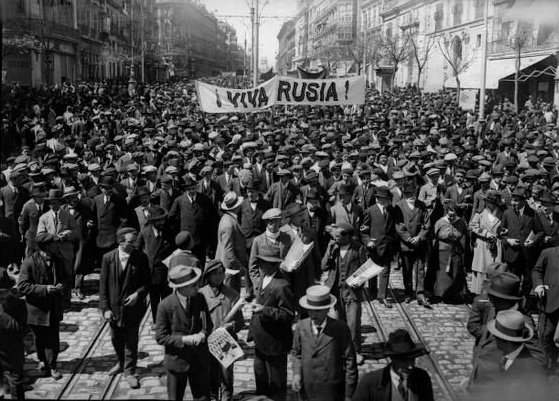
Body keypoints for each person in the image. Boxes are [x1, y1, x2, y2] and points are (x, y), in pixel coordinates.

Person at [99, 227, 151, 389]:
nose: (134, 244)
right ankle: (121, 362)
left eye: (135, 241)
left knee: (131, 340)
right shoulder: (108, 258)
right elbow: (103, 287)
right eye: (130, 242)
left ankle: (130, 371)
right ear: (120, 242)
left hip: (134, 308)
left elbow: (147, 282)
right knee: (116, 338)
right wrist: (105, 308)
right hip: (113, 309)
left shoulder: (140, 257)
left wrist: (138, 295)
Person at [155, 264, 211, 401]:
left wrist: (203, 334)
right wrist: (185, 340)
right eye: (193, 285)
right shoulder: (165, 306)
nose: (197, 287)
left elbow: (207, 323)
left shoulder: (200, 299)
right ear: (182, 287)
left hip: (198, 361)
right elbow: (161, 337)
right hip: (176, 363)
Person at [292, 285, 357, 401]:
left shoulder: (340, 329)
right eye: (309, 310)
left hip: (331, 390)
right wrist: (297, 374)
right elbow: (296, 354)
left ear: (327, 309)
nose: (312, 315)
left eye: (317, 311)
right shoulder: (301, 326)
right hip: (307, 389)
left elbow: (350, 362)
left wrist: (348, 394)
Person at [469, 310, 551, 401]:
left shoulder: (533, 371)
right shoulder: (494, 355)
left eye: (495, 337)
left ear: (503, 341)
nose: (493, 340)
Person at [17, 232, 66, 380]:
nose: (57, 245)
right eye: (54, 244)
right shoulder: (29, 262)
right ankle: (42, 361)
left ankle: (52, 365)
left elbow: (65, 277)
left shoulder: (58, 259)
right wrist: (44, 289)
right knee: (39, 339)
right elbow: (22, 286)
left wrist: (62, 285)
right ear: (45, 246)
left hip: (53, 307)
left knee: (53, 339)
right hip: (37, 309)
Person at [247, 254, 295, 401]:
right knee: (261, 380)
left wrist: (264, 310)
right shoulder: (264, 277)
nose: (259, 266)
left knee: (276, 384)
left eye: (263, 263)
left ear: (273, 265)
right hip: (260, 341)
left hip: (275, 344)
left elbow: (288, 315)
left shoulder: (282, 285)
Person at [198, 260, 244, 401]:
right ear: (208, 275)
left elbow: (240, 322)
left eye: (221, 273)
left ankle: (226, 396)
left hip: (226, 341)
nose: (218, 277)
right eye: (215, 274)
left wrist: (231, 326)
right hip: (208, 341)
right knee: (210, 373)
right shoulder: (200, 294)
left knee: (226, 374)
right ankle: (212, 395)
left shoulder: (232, 294)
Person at [322, 223, 367, 365]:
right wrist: (329, 252)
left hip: (352, 292)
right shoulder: (333, 248)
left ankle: (356, 351)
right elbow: (324, 267)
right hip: (336, 290)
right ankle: (342, 349)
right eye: (334, 236)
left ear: (347, 236)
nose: (335, 238)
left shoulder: (358, 248)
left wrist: (358, 283)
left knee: (353, 322)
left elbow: (365, 269)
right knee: (339, 322)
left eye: (338, 236)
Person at [352, 329, 434, 401]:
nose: (410, 366)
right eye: (404, 361)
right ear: (392, 359)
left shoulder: (422, 377)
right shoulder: (370, 382)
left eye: (412, 360)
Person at [36, 188, 78, 306]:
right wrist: (55, 237)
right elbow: (39, 236)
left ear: (60, 203)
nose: (52, 205)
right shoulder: (44, 218)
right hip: (51, 252)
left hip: (66, 252)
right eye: (50, 203)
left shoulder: (68, 216)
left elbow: (76, 232)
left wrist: (68, 234)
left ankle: (66, 299)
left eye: (55, 203)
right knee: (53, 276)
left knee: (67, 275)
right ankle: (55, 301)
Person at [393, 182, 431, 306]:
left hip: (419, 244)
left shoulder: (421, 205)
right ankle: (408, 292)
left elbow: (426, 224)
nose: (411, 195)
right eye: (408, 193)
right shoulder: (399, 206)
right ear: (404, 194)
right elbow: (398, 225)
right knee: (407, 269)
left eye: (413, 193)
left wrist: (419, 237)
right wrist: (408, 238)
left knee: (420, 269)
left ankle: (420, 293)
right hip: (406, 244)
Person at [361, 186, 398, 307]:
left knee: (385, 271)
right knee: (373, 270)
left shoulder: (392, 210)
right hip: (374, 246)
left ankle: (382, 295)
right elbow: (363, 230)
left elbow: (394, 228)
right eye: (383, 199)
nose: (386, 201)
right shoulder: (370, 211)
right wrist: (367, 242)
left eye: (387, 199)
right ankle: (372, 291)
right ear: (378, 199)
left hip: (388, 246)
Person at [136, 207, 173, 326]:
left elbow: (175, 248)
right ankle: (157, 321)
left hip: (166, 271)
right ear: (152, 222)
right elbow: (137, 248)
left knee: (167, 298)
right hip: (151, 272)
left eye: (163, 220)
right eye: (158, 221)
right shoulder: (145, 231)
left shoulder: (169, 230)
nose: (162, 223)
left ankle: (167, 321)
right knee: (154, 298)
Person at [168, 177, 217, 263]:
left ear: (197, 187)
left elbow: (212, 216)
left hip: (200, 239)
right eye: (189, 189)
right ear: (186, 189)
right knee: (187, 262)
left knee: (200, 261)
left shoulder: (204, 199)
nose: (192, 191)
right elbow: (171, 217)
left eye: (193, 188)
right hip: (186, 239)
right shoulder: (179, 200)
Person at [248, 208, 292, 292]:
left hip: (282, 284)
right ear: (266, 223)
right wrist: (259, 285)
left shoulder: (286, 238)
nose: (274, 224)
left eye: (277, 221)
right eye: (271, 221)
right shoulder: (258, 240)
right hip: (264, 286)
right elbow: (252, 267)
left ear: (280, 222)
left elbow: (290, 260)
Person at [0, 267, 28, 400]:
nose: (3, 296)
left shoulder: (19, 305)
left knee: (15, 384)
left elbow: (18, 329)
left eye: (4, 292)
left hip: (11, 354)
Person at [469, 190, 504, 295]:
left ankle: (493, 292)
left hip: (495, 245)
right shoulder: (480, 212)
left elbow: (505, 227)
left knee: (494, 269)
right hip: (482, 244)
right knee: (481, 268)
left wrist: (501, 232)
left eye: (493, 202)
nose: (490, 204)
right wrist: (485, 233)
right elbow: (472, 226)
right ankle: (480, 293)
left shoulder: (502, 213)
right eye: (488, 201)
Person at [433, 200, 468, 303]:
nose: (451, 218)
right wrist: (444, 235)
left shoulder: (460, 222)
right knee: (443, 273)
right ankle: (441, 293)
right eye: (450, 216)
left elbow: (460, 234)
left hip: (455, 250)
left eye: (453, 216)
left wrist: (452, 234)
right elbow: (436, 234)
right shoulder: (440, 222)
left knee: (455, 271)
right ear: (446, 212)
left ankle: (453, 293)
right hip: (443, 250)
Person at [533, 243, 559, 375]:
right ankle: (544, 368)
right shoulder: (548, 253)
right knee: (546, 337)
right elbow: (537, 270)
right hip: (550, 304)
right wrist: (538, 285)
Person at [215, 191, 247, 293]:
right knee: (230, 295)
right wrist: (240, 267)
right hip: (230, 268)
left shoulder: (227, 218)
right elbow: (229, 252)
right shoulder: (228, 223)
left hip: (231, 267)